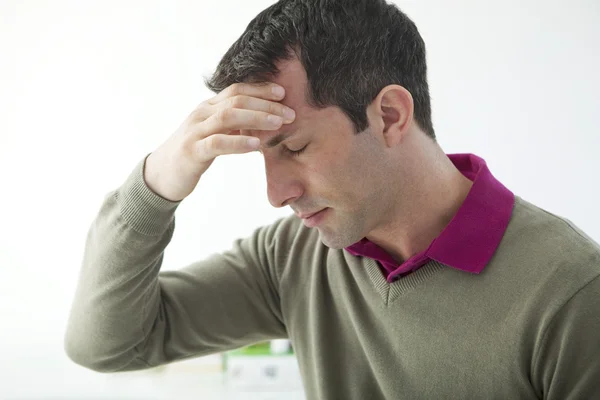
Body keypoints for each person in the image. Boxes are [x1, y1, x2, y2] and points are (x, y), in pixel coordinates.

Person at [64, 0, 600, 398]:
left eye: (294, 146)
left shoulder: (571, 292)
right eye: (262, 158)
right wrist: (155, 186)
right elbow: (107, 344)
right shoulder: (292, 256)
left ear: (390, 115)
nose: (276, 195)